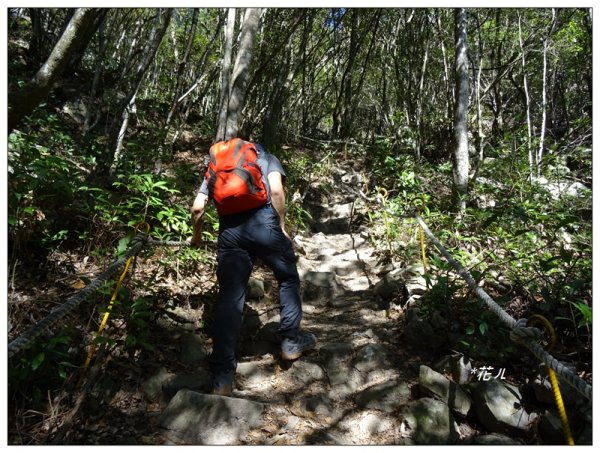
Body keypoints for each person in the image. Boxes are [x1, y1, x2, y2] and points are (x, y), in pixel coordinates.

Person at [188, 139, 316, 396]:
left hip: (229, 233)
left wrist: (197, 236)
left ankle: (222, 377)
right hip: (264, 222)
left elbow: (198, 207)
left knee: (229, 298)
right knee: (288, 277)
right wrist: (280, 228)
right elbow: (277, 191)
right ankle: (290, 341)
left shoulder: (216, 165)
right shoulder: (263, 154)